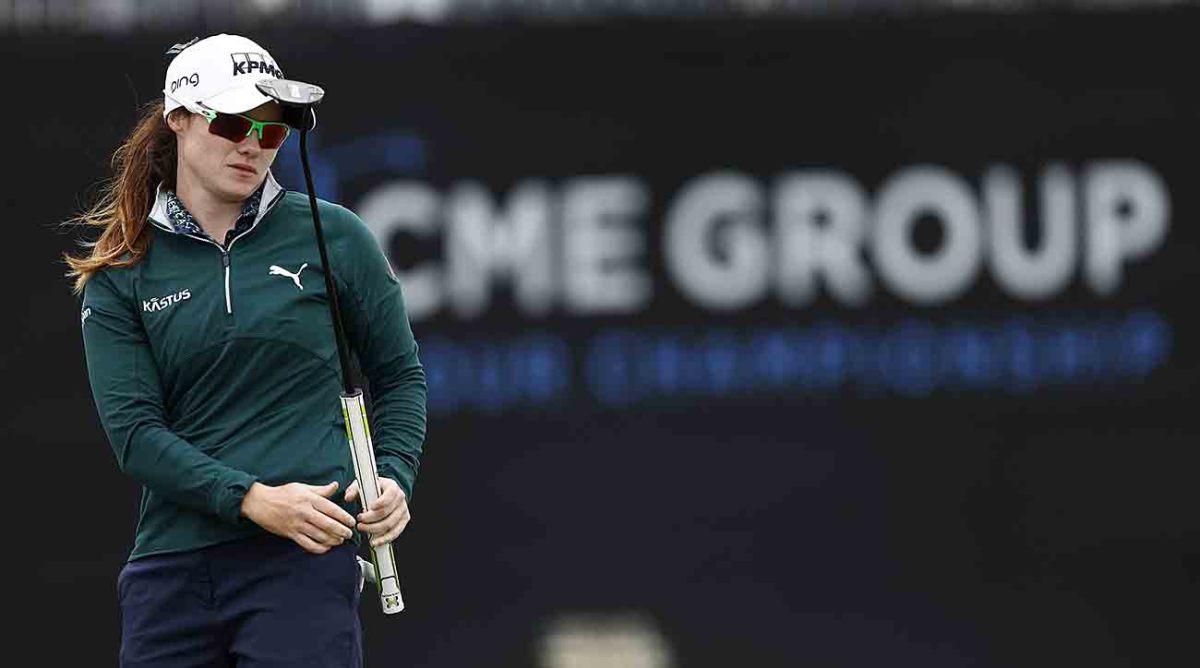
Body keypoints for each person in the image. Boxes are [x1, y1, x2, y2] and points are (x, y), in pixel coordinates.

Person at [65, 34, 427, 667]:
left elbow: (399, 377)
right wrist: (252, 499)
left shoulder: (338, 236)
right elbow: (136, 435)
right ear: (179, 119)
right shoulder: (121, 268)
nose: (252, 144)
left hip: (303, 559)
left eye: (272, 130)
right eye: (233, 122)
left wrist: (394, 474)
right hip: (169, 570)